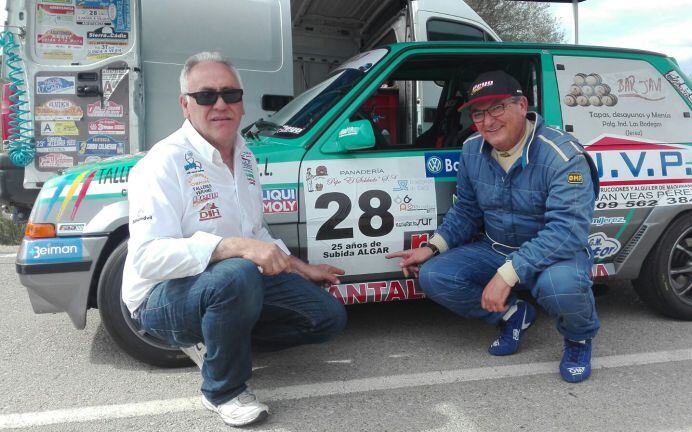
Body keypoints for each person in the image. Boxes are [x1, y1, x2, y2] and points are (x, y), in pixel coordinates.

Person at [122, 52, 347, 427]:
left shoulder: (245, 158)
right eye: (206, 96)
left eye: (230, 94)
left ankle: (223, 342)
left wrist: (302, 268)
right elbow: (147, 257)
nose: (221, 104)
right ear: (185, 104)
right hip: (159, 299)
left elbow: (255, 232)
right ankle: (223, 391)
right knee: (239, 271)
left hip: (227, 282)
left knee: (327, 318)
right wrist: (234, 247)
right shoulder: (162, 163)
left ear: (242, 102)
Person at [387, 70, 600, 383]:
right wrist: (432, 246)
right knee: (434, 274)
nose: (487, 122)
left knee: (562, 287)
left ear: (522, 105)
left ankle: (578, 339)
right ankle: (514, 314)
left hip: (555, 254)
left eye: (497, 108)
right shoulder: (473, 149)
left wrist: (506, 274)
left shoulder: (563, 156)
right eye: (478, 113)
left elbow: (566, 232)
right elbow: (467, 211)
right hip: (496, 247)